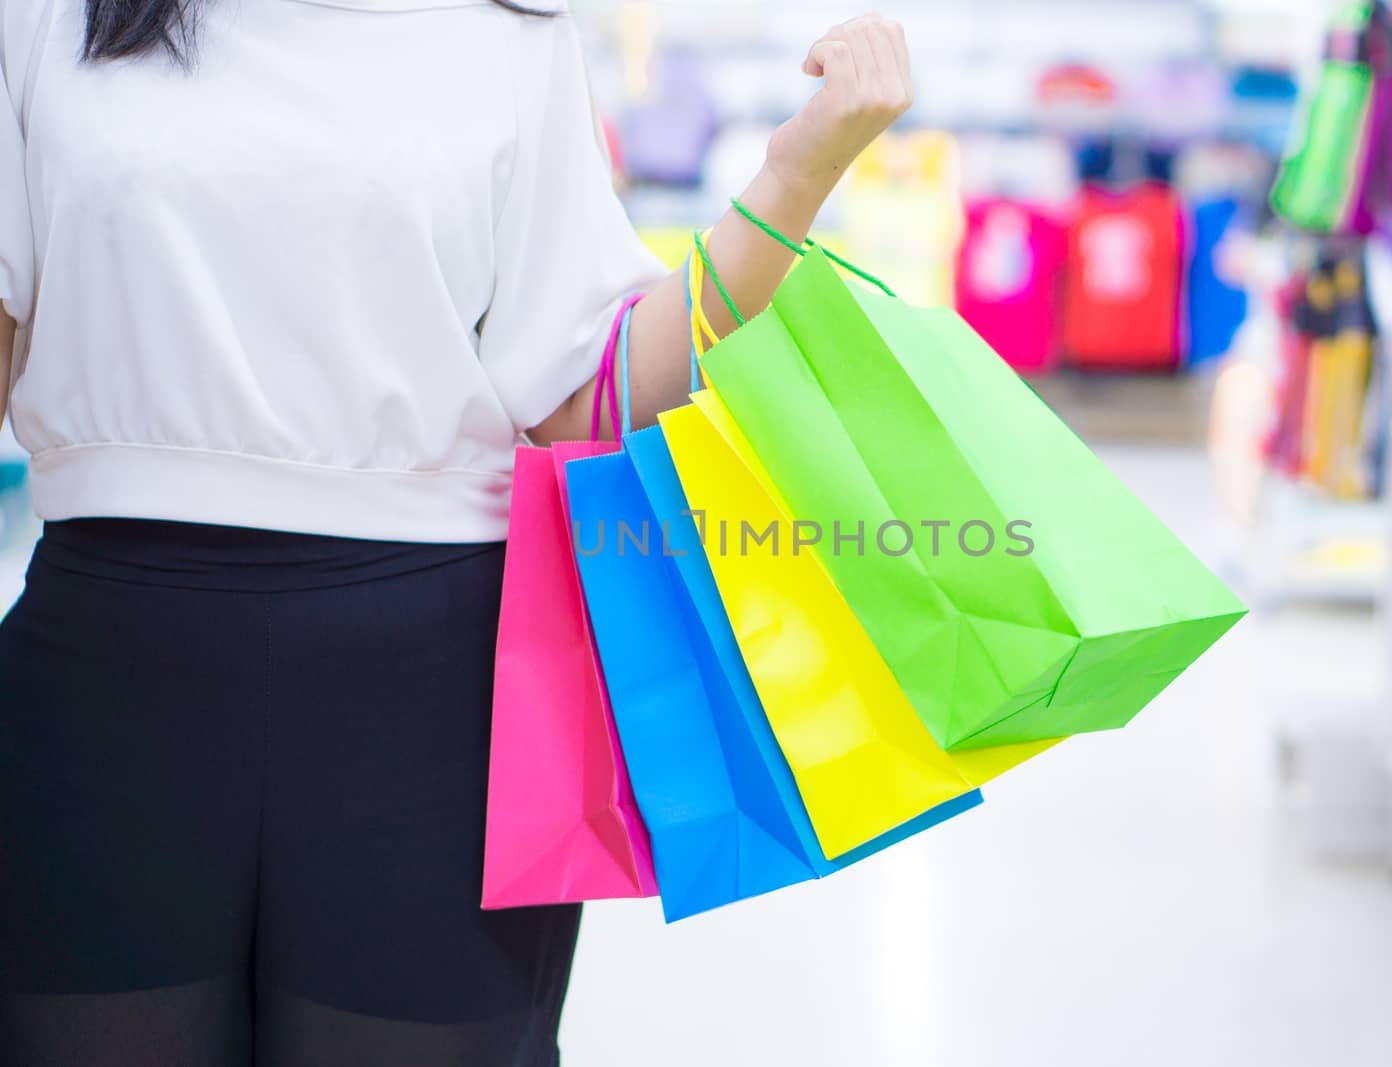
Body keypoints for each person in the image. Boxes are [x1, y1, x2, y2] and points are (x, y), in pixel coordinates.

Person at [0, 1, 913, 1063]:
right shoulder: (49, 17)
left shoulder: (508, 37)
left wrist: (795, 177)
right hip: (102, 679)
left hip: (436, 706)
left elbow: (587, 399)